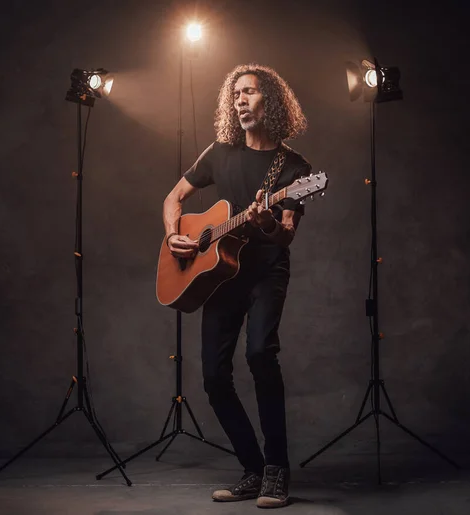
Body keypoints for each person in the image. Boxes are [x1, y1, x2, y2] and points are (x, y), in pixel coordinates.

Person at [162, 63, 311, 509]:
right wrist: (174, 234)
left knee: (261, 354)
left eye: (249, 92)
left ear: (273, 101)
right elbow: (173, 199)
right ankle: (252, 468)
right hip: (221, 275)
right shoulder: (220, 152)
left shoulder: (296, 169)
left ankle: (277, 470)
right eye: (236, 94)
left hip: (266, 271)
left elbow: (285, 233)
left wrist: (267, 222)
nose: (240, 100)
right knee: (212, 376)